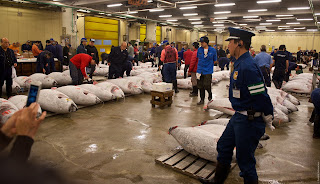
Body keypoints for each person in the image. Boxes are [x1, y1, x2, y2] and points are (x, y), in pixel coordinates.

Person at [202, 27, 274, 184]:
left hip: (249, 120)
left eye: (231, 42)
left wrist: (268, 114)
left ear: (239, 43)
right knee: (224, 146)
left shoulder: (248, 66)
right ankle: (217, 181)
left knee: (245, 160)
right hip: (239, 116)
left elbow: (260, 94)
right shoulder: (239, 63)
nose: (228, 45)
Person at [196, 36, 217, 105]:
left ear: (206, 42)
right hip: (200, 70)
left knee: (207, 85)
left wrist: (209, 66)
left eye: (202, 42)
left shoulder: (213, 50)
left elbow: (215, 60)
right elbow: (198, 59)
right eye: (201, 42)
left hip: (208, 71)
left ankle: (210, 94)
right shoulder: (199, 50)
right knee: (200, 86)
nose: (201, 43)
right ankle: (202, 99)